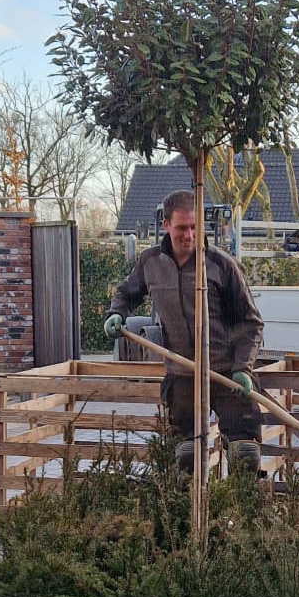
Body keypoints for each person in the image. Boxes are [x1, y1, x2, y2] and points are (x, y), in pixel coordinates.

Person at [103, 190, 263, 476]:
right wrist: (116, 313)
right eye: (181, 228)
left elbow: (251, 323)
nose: (189, 235)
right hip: (182, 375)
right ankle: (189, 506)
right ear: (166, 225)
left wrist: (243, 368)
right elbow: (126, 293)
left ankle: (242, 505)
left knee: (245, 456)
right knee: (185, 458)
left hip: (227, 374)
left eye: (194, 227)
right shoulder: (150, 262)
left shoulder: (221, 265)